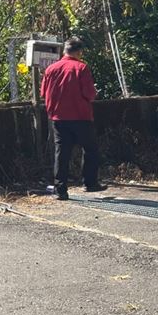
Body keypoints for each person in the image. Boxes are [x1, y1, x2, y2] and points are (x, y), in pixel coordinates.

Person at [40, 37, 107, 200]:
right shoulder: (81, 68)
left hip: (58, 117)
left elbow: (43, 93)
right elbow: (90, 94)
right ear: (79, 52)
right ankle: (90, 183)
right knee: (90, 149)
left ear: (64, 51)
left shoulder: (50, 69)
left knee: (61, 153)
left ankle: (60, 190)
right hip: (80, 116)